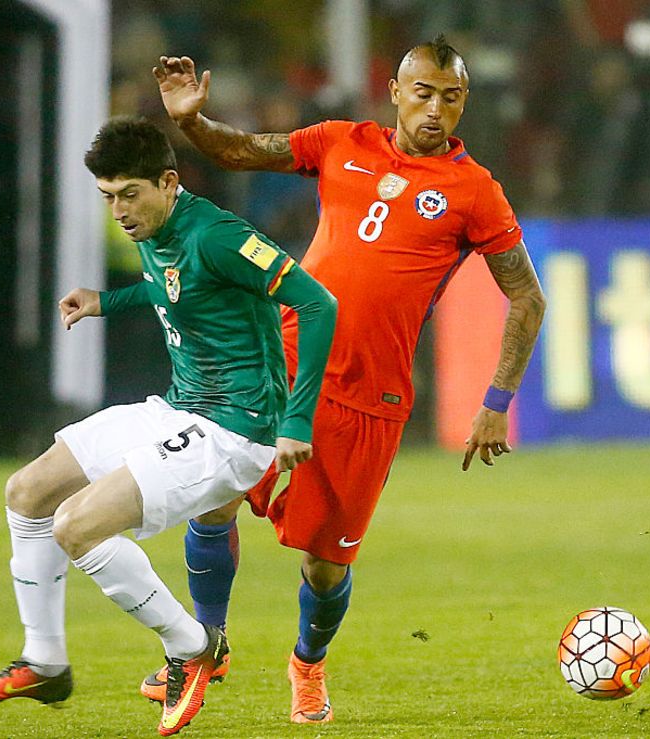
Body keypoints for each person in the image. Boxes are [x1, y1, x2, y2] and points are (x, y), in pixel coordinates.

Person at [144, 35, 547, 724]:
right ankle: (204, 644)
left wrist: (496, 401)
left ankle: (308, 661)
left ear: (463, 105)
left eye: (451, 98)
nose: (435, 110)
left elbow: (527, 296)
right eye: (422, 92)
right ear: (394, 91)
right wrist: (189, 122)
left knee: (325, 566)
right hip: (285, 360)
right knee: (212, 496)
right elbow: (242, 150)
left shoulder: (474, 190)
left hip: (371, 396)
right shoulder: (340, 141)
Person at [0, 116, 338, 737]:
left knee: (75, 525)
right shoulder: (154, 226)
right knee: (27, 492)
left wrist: (296, 420)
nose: (119, 211)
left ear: (168, 181)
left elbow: (319, 304)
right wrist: (108, 300)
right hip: (179, 408)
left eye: (129, 194)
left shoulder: (218, 235)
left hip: (235, 433)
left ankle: (192, 647)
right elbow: (172, 289)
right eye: (108, 197)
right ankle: (45, 660)